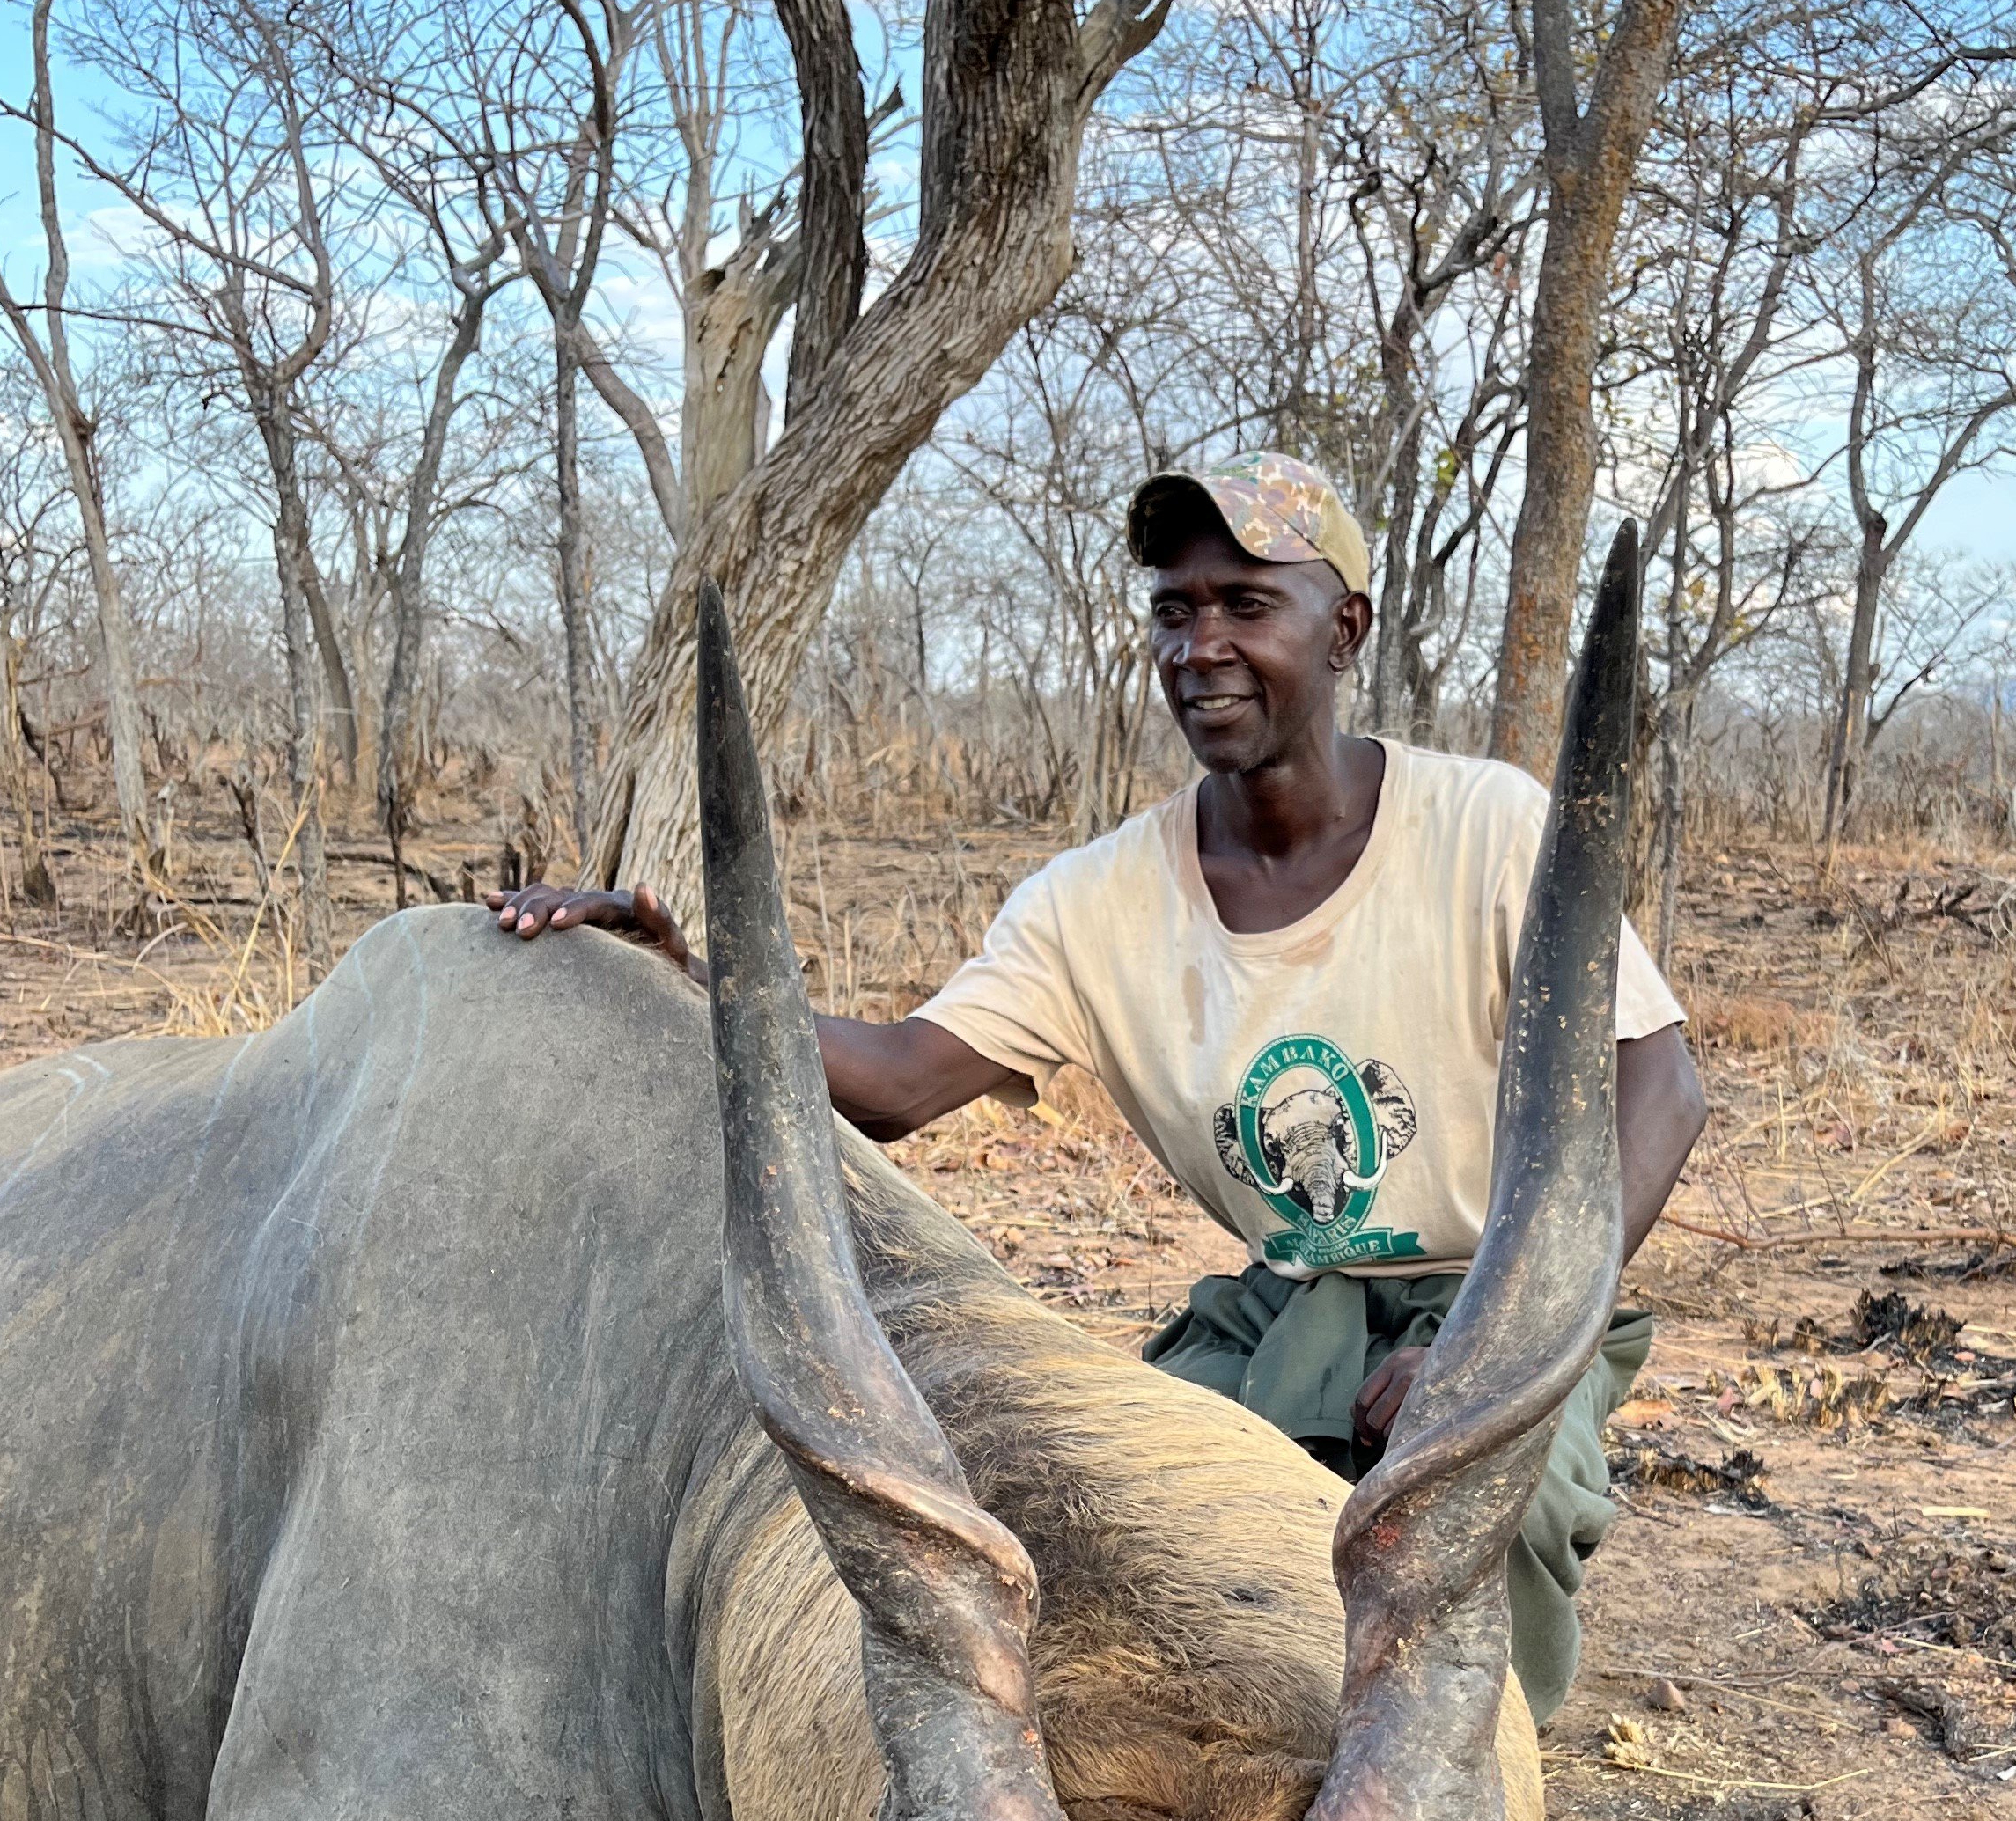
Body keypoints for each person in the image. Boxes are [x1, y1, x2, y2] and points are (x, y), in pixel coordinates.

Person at [490, 453, 1705, 1723]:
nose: (1202, 647)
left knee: (1473, 1513)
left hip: (1498, 1289)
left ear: (1343, 628)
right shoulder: (1099, 900)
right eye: (1174, 612)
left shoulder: (1491, 830)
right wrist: (694, 979)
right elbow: (903, 1082)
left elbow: (1661, 1089)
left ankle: (1459, 1809)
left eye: (1246, 604)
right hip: (1285, 1311)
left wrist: (1491, 1345)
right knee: (1105, 1533)